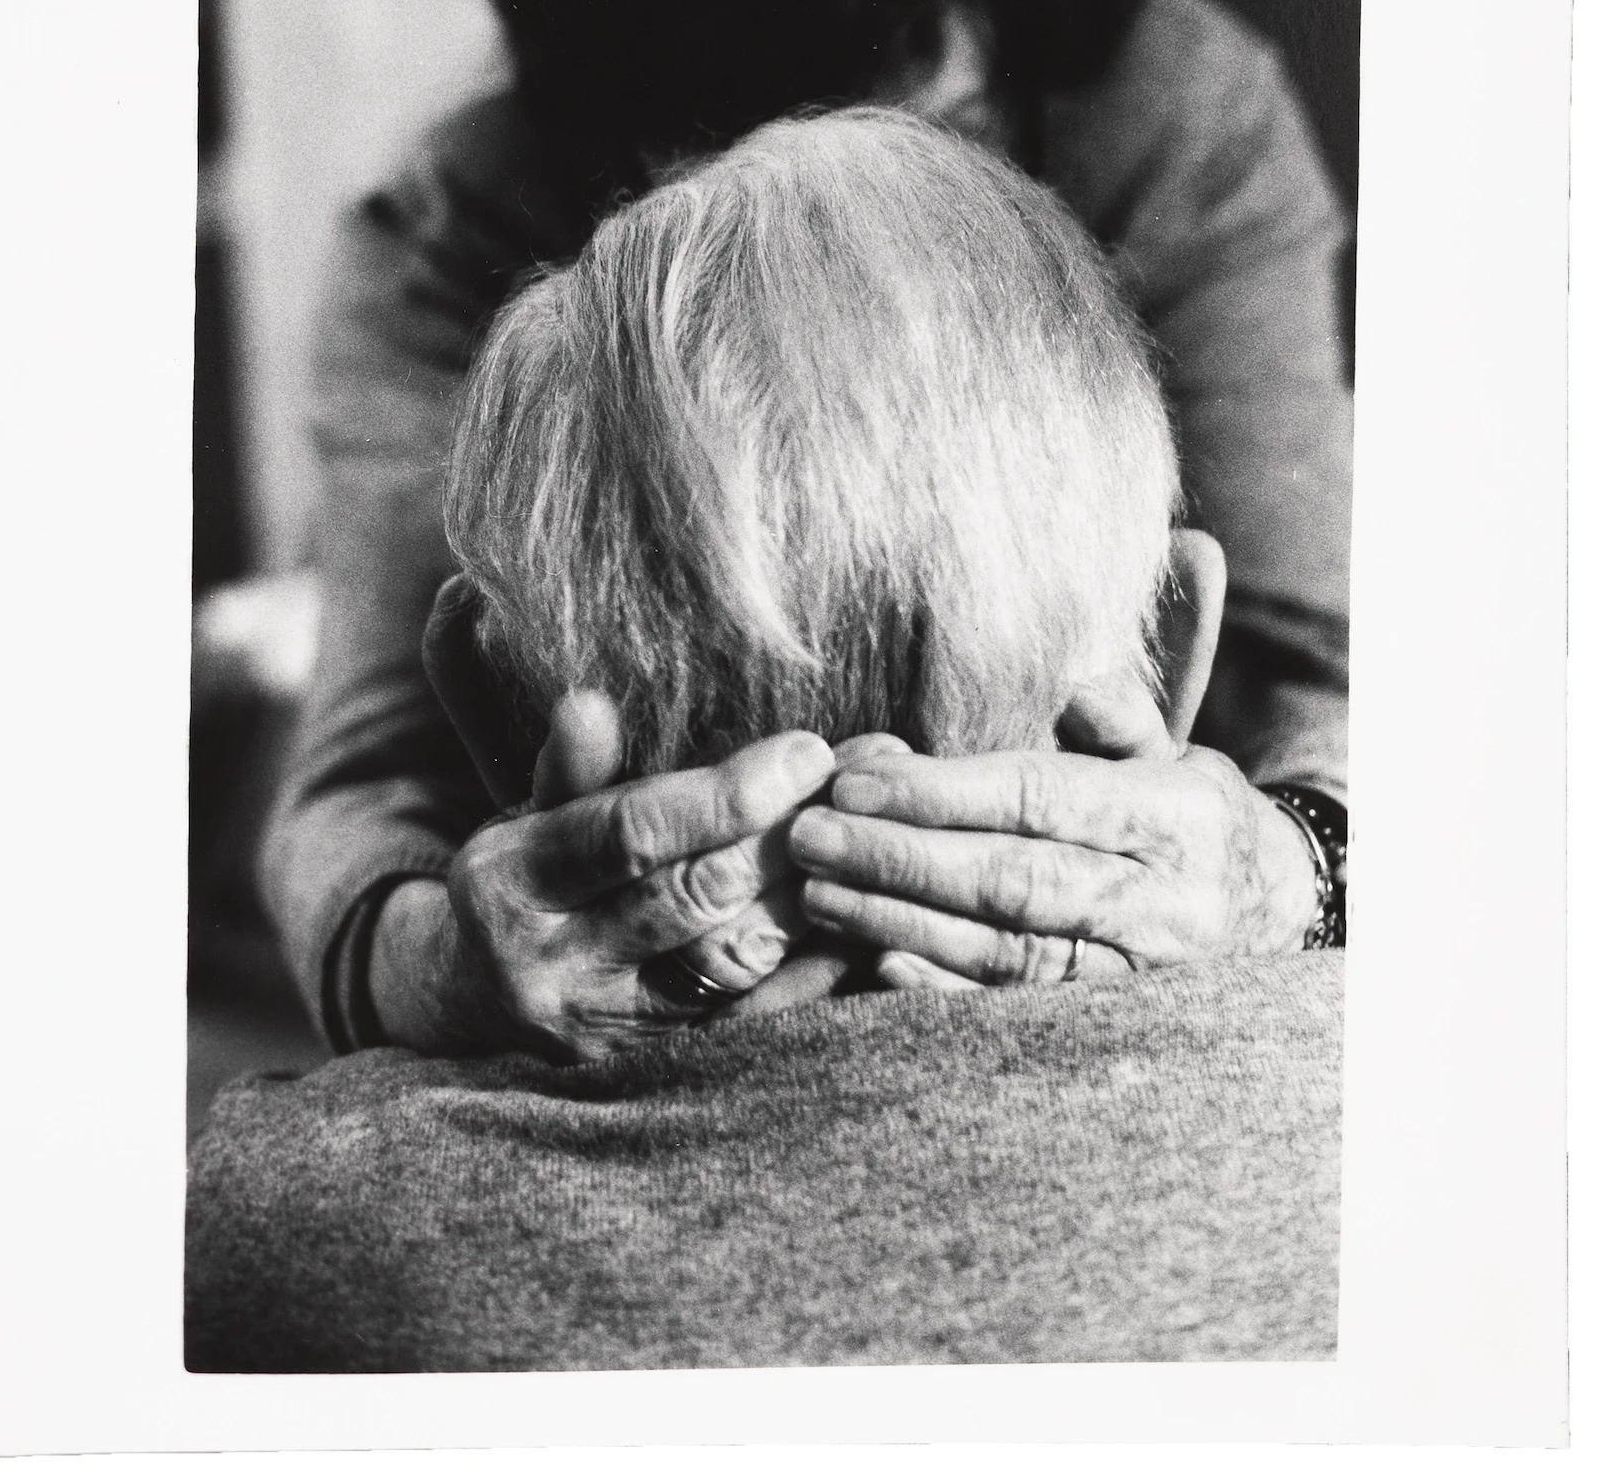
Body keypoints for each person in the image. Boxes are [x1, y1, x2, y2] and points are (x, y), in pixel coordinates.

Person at [260, 0, 1351, 1060]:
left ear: (1012, 38)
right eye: (715, 178)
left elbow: (1315, 655)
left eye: (917, 137)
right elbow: (370, 763)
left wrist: (1292, 867)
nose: (830, 221)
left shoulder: (1176, 119)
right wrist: (440, 960)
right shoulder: (452, 221)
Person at [187, 114, 1342, 1372]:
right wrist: (1319, 875)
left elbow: (354, 763)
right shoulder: (1419, 1159)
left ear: (483, 702)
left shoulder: (273, 1242)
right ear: (1171, 647)